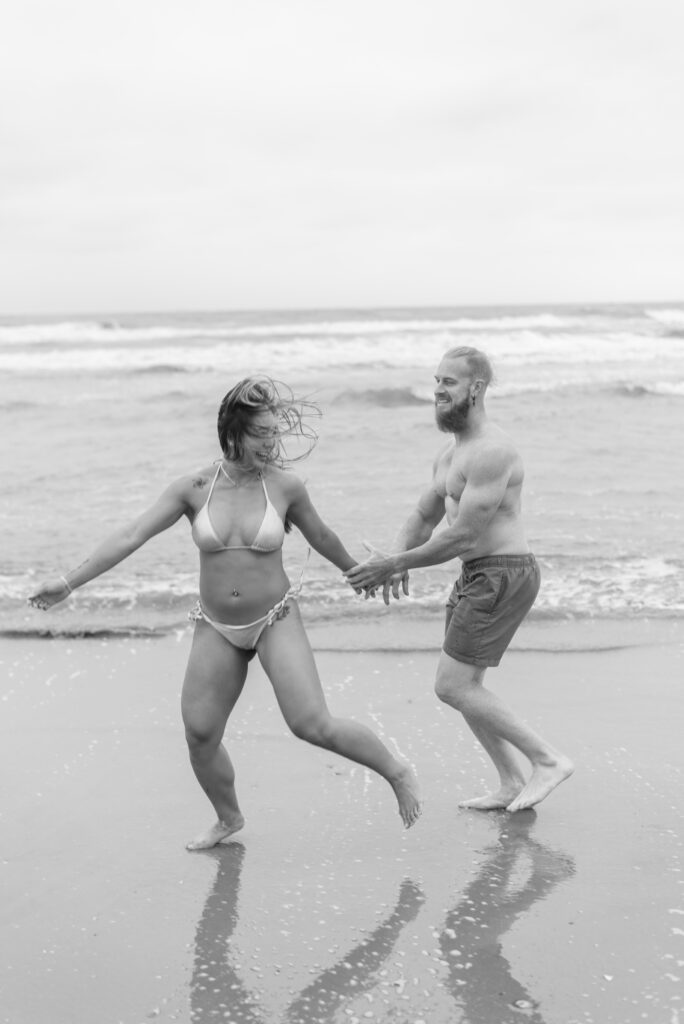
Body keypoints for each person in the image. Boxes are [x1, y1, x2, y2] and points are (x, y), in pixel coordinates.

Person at [28, 377, 421, 847]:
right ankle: (229, 818)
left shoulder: (286, 487)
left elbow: (324, 538)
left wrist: (364, 573)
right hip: (216, 625)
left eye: (276, 432)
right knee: (199, 733)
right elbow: (131, 535)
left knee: (310, 724)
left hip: (274, 619)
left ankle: (396, 771)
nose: (272, 443)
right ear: (234, 432)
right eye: (261, 434)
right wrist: (69, 583)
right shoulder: (194, 487)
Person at [346, 347, 573, 813]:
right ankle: (511, 780)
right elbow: (424, 514)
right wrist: (397, 556)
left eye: (449, 382)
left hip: (503, 574)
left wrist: (394, 565)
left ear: (476, 388)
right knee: (467, 686)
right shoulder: (450, 454)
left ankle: (546, 761)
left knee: (453, 686)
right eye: (436, 380)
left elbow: (464, 533)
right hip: (478, 574)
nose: (437, 390)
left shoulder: (493, 451)